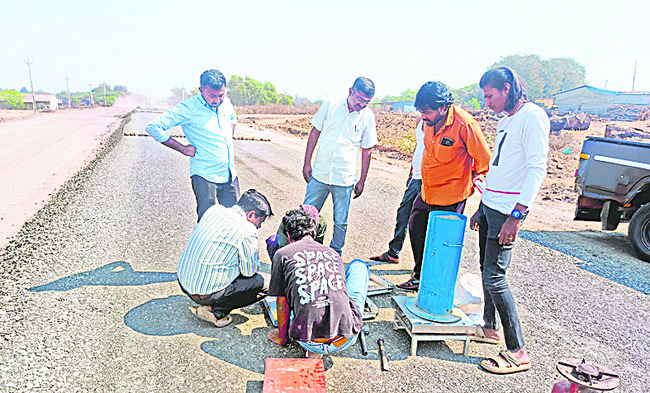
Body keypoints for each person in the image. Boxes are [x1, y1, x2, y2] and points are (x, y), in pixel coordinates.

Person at [469, 67, 550, 374]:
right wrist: (481, 205)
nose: (487, 103)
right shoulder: (506, 120)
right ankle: (489, 328)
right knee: (485, 270)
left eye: (490, 96)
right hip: (491, 205)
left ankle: (518, 350)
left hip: (508, 212)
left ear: (506, 88)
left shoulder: (532, 116)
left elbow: (536, 169)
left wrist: (517, 216)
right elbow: (499, 169)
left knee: (495, 277)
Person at [398, 81, 491, 290]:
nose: (423, 116)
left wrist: (472, 177)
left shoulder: (466, 125)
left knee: (442, 242)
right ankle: (420, 275)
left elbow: (484, 161)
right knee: (416, 227)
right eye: (421, 112)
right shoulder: (427, 123)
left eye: (427, 112)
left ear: (442, 107)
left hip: (451, 195)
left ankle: (437, 285)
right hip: (427, 190)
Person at [267, 209, 369, 358]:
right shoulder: (332, 253)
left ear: (288, 236)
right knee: (359, 266)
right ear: (314, 232)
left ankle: (315, 350)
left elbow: (282, 302)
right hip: (345, 338)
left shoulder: (283, 254)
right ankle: (320, 346)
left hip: (308, 341)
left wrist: (282, 338)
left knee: (300, 301)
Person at [145, 69, 239, 221]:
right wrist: (182, 148)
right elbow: (154, 127)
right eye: (212, 96)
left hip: (229, 175)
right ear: (201, 90)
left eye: (221, 95)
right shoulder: (188, 109)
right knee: (207, 223)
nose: (217, 100)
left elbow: (233, 118)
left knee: (234, 221)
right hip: (205, 176)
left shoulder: (226, 104)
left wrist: (228, 135)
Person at [302, 77, 378, 255]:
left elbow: (367, 150)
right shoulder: (331, 105)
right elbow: (315, 133)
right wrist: (307, 163)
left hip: (344, 178)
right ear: (350, 91)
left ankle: (335, 253)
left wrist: (362, 180)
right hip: (320, 174)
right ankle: (303, 249)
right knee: (307, 214)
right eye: (360, 99)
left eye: (367, 101)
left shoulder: (367, 117)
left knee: (341, 221)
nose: (362, 104)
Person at [177, 189, 273, 328]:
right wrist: (254, 257)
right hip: (204, 294)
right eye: (260, 222)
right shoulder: (247, 230)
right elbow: (249, 273)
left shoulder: (214, 210)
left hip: (185, 282)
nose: (259, 227)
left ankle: (212, 299)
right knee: (268, 282)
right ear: (251, 214)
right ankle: (215, 311)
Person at [370, 118, 425, 263]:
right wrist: (412, 171)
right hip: (416, 176)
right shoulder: (420, 121)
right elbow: (418, 147)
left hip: (428, 178)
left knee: (420, 221)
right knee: (403, 214)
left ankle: (421, 266)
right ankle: (393, 252)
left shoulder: (438, 122)